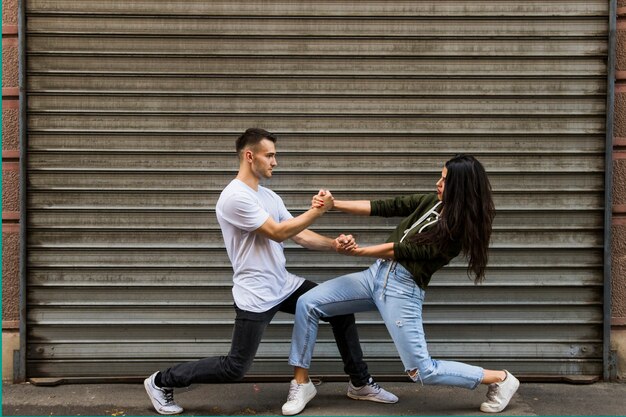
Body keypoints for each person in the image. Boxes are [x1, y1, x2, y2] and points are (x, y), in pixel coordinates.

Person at [143, 128, 397, 415]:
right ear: (250, 156)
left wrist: (335, 245)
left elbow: (299, 236)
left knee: (339, 309)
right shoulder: (234, 197)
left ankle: (360, 383)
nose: (275, 161)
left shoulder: (269, 196)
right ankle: (161, 381)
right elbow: (277, 233)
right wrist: (318, 210)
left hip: (283, 284)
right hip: (255, 293)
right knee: (234, 368)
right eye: (270, 155)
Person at [285, 154, 520, 414]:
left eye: (444, 180)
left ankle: (500, 378)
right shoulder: (434, 203)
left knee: (422, 371)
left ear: (461, 188)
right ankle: (302, 382)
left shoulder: (458, 229)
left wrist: (358, 251)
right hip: (376, 275)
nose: (437, 184)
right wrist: (333, 204)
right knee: (308, 302)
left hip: (402, 289)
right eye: (440, 177)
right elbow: (386, 206)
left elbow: (403, 250)